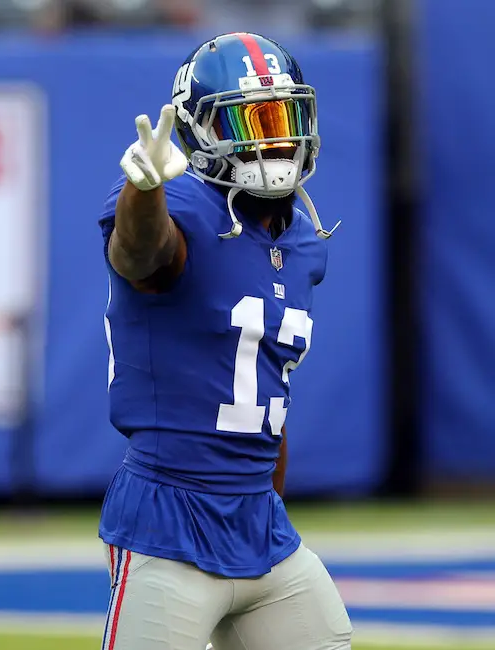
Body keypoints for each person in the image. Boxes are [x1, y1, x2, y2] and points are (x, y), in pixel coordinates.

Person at [98, 32, 351, 650]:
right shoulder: (178, 204)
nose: (276, 138)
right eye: (254, 120)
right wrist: (145, 189)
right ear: (203, 130)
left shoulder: (302, 239)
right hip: (167, 523)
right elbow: (140, 255)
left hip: (260, 526)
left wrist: (268, 504)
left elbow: (270, 390)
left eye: (285, 116)